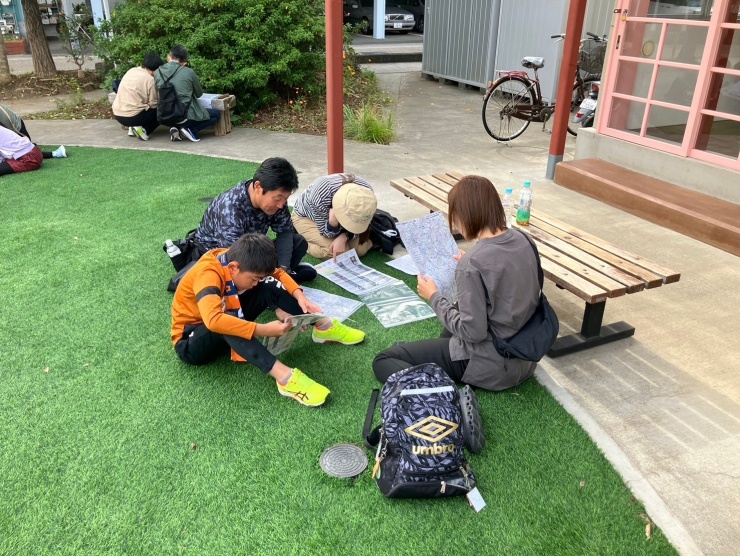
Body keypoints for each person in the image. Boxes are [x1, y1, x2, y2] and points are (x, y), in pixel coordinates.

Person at [372, 175, 540, 391]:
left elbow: (473, 332)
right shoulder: (524, 240)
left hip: (489, 366)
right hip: (525, 358)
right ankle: (431, 358)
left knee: (384, 360)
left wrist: (433, 296)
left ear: (464, 215)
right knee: (453, 319)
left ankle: (439, 392)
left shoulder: (472, 264)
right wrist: (469, 265)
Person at [171, 233, 367, 407]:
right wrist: (264, 329)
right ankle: (285, 378)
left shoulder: (236, 258)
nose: (255, 284)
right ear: (233, 268)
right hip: (190, 342)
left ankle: (323, 326)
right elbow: (214, 320)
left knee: (268, 285)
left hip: (220, 320)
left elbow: (277, 274)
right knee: (225, 319)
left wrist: (300, 296)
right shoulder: (208, 273)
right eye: (253, 279)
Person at [193, 157, 317, 283]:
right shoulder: (230, 208)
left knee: (298, 242)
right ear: (258, 187)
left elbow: (285, 231)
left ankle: (278, 277)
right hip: (222, 259)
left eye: (285, 198)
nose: (281, 204)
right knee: (239, 277)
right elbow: (235, 258)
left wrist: (283, 268)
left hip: (253, 250)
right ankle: (274, 280)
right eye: (278, 198)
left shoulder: (277, 200)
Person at [291, 173, 377, 261]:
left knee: (360, 250)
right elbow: (325, 232)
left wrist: (345, 236)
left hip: (340, 221)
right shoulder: (321, 194)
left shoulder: (367, 194)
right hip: (306, 217)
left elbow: (360, 223)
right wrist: (333, 223)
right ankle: (298, 241)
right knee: (338, 253)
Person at [155, 45, 220, 143]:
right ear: (183, 61)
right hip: (184, 115)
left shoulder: (158, 72)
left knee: (178, 116)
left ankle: (175, 127)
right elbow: (199, 94)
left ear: (169, 56)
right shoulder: (188, 72)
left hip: (165, 115)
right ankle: (192, 130)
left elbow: (157, 93)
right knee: (216, 115)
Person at [112, 53, 165, 141]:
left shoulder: (132, 70)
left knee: (140, 107)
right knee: (162, 111)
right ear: (157, 69)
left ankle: (132, 129)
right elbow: (154, 104)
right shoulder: (151, 80)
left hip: (118, 114)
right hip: (132, 116)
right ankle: (144, 130)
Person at [0, 102, 67, 160]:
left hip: (17, 129)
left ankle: (54, 153)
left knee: (20, 151)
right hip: (9, 131)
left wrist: (20, 140)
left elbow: (9, 126)